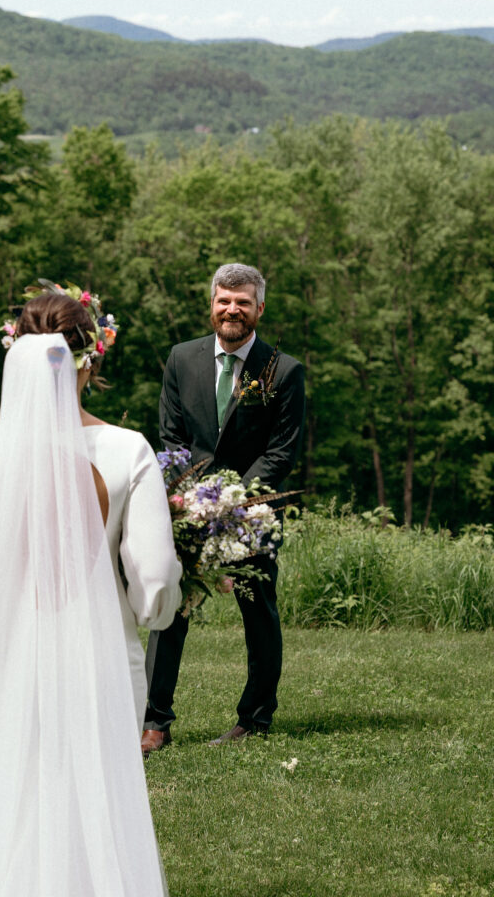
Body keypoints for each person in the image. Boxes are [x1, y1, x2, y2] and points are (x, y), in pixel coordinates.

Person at [0, 287, 181, 897]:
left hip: (6, 653)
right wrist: (154, 612)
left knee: (4, 798)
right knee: (99, 802)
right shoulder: (127, 450)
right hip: (102, 661)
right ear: (91, 359)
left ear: (16, 352)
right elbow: (156, 576)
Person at [141, 263, 305, 755]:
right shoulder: (180, 358)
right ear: (211, 303)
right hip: (187, 511)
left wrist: (233, 500)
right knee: (170, 611)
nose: (232, 309)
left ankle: (254, 719)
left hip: (251, 513)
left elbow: (282, 450)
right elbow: (171, 435)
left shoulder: (283, 370)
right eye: (224, 301)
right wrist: (195, 499)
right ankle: (154, 723)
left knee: (259, 613)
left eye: (243, 302)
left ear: (259, 308)